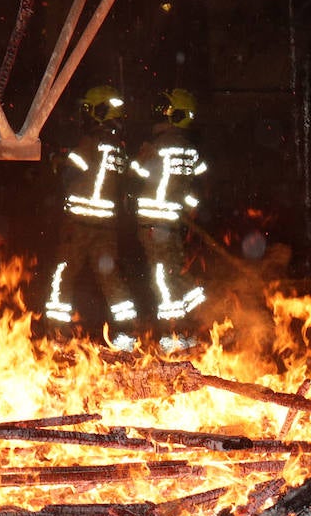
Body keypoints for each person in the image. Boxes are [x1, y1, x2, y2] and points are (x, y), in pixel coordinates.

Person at [42, 84, 140, 348]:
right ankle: (127, 334)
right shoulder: (119, 149)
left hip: (79, 226)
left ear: (97, 112)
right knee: (111, 279)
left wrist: (56, 159)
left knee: (63, 276)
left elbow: (69, 175)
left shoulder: (88, 143)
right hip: (106, 228)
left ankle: (57, 335)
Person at [130, 87, 208, 353]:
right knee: (175, 272)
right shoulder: (190, 150)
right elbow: (194, 187)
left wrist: (140, 156)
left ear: (177, 115)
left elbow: (138, 172)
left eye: (166, 110)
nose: (160, 115)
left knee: (162, 278)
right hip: (174, 223)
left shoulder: (159, 146)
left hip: (154, 222)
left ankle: (171, 335)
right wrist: (190, 211)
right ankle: (197, 319)